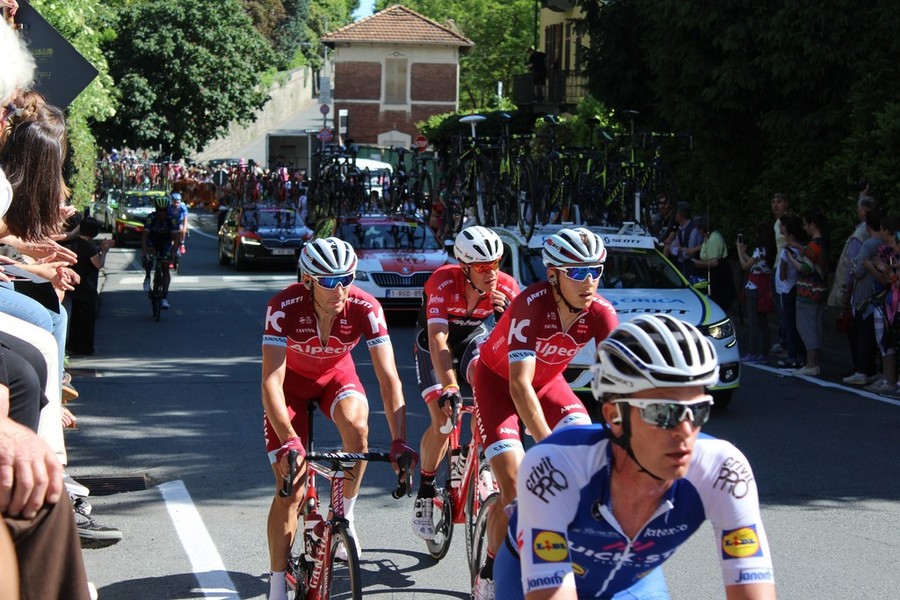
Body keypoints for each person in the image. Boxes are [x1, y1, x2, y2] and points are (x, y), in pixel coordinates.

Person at [493, 314, 776, 600]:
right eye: (663, 413)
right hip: (527, 575)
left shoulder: (723, 470)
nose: (685, 430)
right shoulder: (554, 466)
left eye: (699, 410)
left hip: (631, 583)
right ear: (614, 416)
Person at [261, 237, 416, 600]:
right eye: (330, 281)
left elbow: (389, 378)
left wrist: (399, 440)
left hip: (335, 376)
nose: (340, 288)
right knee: (291, 489)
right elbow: (271, 381)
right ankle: (276, 583)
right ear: (309, 281)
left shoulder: (365, 306)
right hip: (290, 387)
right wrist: (289, 440)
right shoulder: (283, 306)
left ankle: (345, 514)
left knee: (358, 430)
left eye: (347, 278)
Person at [470, 227, 619, 600]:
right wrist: (549, 445)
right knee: (516, 486)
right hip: (498, 386)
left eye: (596, 271)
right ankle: (490, 566)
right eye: (577, 273)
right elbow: (519, 385)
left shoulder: (601, 313)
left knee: (585, 455)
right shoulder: (531, 304)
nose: (589, 282)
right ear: (553, 275)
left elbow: (620, 384)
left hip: (549, 384)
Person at [410, 226, 519, 540]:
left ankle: (476, 455)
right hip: (434, 345)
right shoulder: (442, 282)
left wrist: (509, 312)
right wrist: (450, 387)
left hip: (472, 342)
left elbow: (521, 341)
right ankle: (426, 490)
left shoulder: (506, 288)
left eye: (496, 264)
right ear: (465, 267)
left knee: (488, 386)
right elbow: (438, 338)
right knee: (443, 420)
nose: (492, 273)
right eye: (484, 267)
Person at [828, 194, 876, 377]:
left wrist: (847, 289)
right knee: (861, 330)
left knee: (857, 330)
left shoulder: (862, 234)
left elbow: (853, 266)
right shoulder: (867, 232)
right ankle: (864, 366)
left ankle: (862, 367)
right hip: (864, 287)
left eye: (859, 208)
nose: (857, 211)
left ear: (864, 211)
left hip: (858, 288)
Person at [842, 209, 887, 387]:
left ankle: (862, 371)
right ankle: (876, 370)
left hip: (865, 293)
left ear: (868, 226)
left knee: (863, 334)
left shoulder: (868, 244)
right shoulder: (884, 243)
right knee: (878, 337)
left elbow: (857, 269)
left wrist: (855, 266)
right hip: (879, 291)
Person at [785, 211, 829, 377]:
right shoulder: (823, 243)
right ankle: (815, 363)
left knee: (806, 327)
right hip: (820, 289)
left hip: (808, 291)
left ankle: (811, 364)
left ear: (813, 225)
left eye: (805, 224)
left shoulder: (814, 244)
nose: (804, 227)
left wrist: (791, 257)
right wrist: (801, 249)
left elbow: (805, 268)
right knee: (816, 326)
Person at [64, 217, 112, 356]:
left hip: (73, 287)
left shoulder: (73, 243)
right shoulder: (89, 248)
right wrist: (104, 251)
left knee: (74, 320)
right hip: (87, 288)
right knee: (86, 321)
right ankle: (85, 348)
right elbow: (99, 264)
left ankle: (72, 346)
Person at [737, 222, 776, 363]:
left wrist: (738, 251)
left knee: (753, 323)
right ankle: (765, 353)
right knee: (763, 322)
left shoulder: (759, 250)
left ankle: (753, 352)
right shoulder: (770, 251)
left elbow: (744, 265)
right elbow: (755, 262)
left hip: (753, 287)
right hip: (764, 287)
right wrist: (744, 253)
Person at [773, 212, 805, 369]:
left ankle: (793, 355)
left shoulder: (788, 251)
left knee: (790, 325)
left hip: (788, 289)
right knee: (795, 324)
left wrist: (784, 263)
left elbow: (783, 275)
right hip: (794, 288)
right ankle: (798, 355)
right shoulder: (801, 248)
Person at [692, 214, 738, 313]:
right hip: (714, 276)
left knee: (720, 304)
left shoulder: (713, 239)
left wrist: (700, 263)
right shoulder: (708, 237)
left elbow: (714, 262)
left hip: (719, 277)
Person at [141, 194, 179, 309]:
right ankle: (147, 277)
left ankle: (164, 297)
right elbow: (144, 237)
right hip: (153, 240)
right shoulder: (150, 218)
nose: (162, 213)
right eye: (159, 211)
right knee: (149, 257)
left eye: (164, 211)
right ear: (156, 210)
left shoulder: (171, 219)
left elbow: (176, 238)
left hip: (165, 242)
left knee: (165, 267)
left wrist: (173, 253)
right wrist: (145, 253)